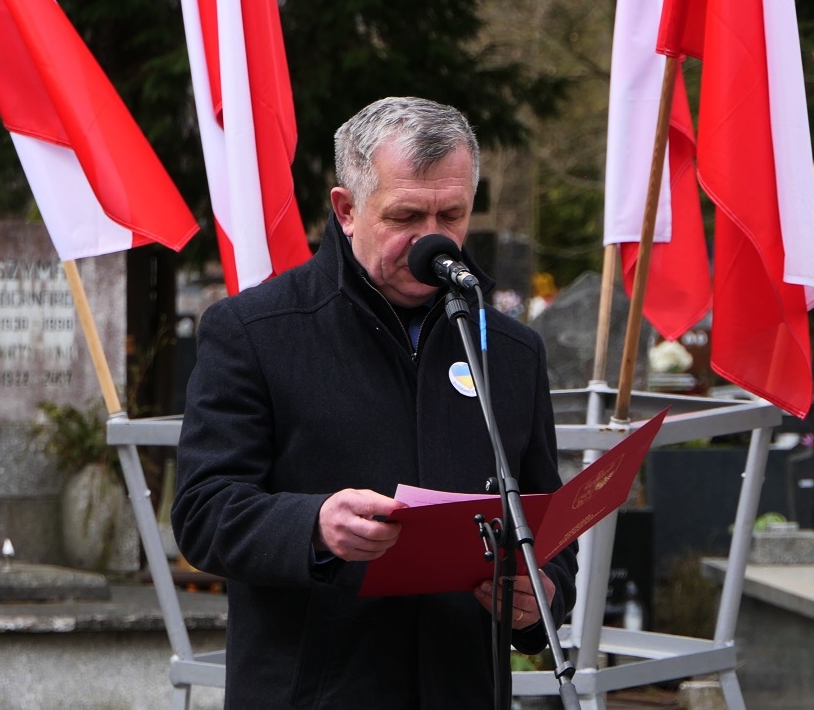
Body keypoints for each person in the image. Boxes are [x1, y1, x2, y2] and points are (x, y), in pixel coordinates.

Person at [173, 97, 578, 708]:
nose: (432, 238)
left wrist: (542, 595)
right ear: (346, 210)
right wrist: (313, 525)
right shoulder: (254, 332)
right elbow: (203, 511)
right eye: (406, 215)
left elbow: (545, 519)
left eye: (452, 214)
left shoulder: (511, 350)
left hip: (462, 688)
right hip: (314, 691)